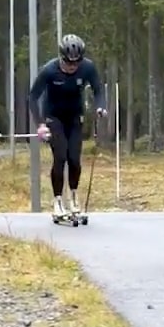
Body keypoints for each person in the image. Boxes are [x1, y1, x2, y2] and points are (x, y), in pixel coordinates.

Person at [28, 33, 108, 219]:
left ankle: (73, 196)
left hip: (74, 117)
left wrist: (100, 106)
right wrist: (40, 124)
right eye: (68, 64)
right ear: (61, 58)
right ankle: (57, 201)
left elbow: (98, 89)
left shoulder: (87, 67)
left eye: (76, 64)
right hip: (53, 117)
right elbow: (33, 97)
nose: (72, 67)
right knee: (60, 156)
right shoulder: (49, 70)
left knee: (74, 159)